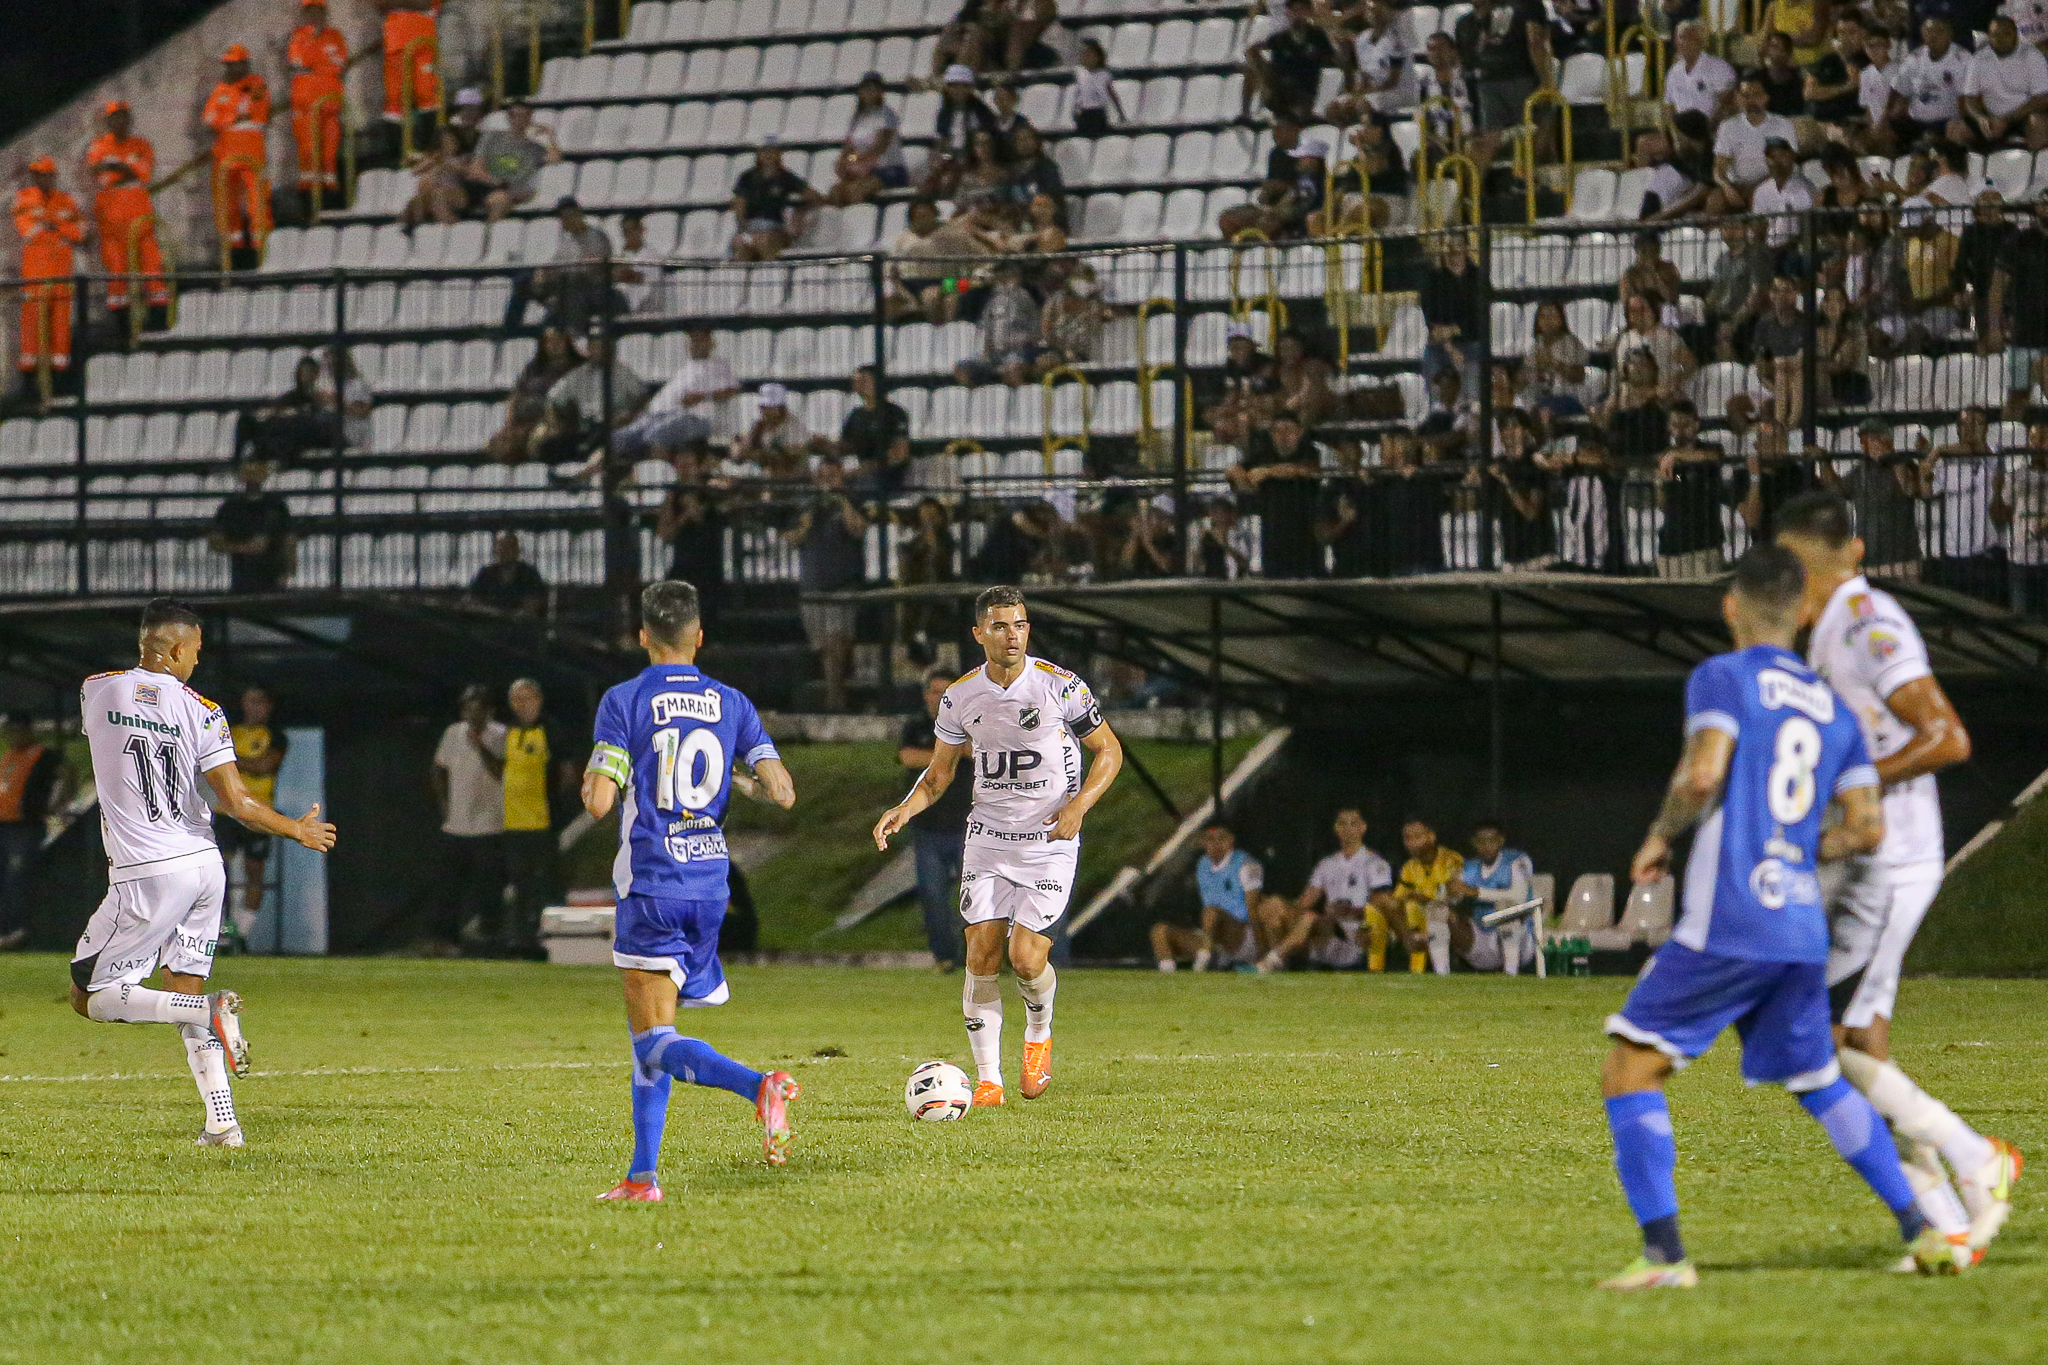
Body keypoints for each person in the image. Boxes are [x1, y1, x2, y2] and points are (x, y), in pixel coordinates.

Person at [1595, 543, 1960, 1289]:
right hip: (1800, 924)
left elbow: (1702, 774)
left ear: (1731, 606)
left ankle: (1664, 1256)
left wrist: (1659, 837)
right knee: (1819, 1079)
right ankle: (1926, 1230)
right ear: (1802, 613)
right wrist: (1800, 846)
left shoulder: (1724, 676)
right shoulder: (1836, 708)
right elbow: (1867, 829)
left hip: (1730, 919)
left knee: (1631, 1068)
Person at [1775, 491, 2020, 1262]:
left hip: (1891, 858)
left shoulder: (1867, 623)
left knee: (1820, 1041)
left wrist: (1851, 781)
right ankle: (1944, 1220)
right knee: (1853, 1039)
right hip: (1865, 858)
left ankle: (1972, 1161)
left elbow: (1946, 736)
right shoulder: (1829, 630)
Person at [68, 599, 336, 1149]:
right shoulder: (206, 711)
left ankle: (207, 1010)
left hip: (147, 872)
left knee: (89, 995)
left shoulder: (97, 690)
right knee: (182, 983)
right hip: (203, 867)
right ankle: (222, 1123)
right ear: (171, 648)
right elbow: (236, 802)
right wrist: (295, 829)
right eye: (193, 650)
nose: (196, 660)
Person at [584, 579, 800, 1197]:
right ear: (699, 637)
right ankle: (641, 1176)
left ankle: (759, 1087)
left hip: (652, 882)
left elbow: (599, 802)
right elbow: (783, 792)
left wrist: (599, 775)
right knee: (654, 1039)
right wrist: (742, 780)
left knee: (652, 1040)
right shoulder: (733, 702)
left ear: (642, 636)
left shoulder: (625, 699)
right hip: (709, 885)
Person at [872, 586, 1124, 1107]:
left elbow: (1109, 752)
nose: (1013, 635)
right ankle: (989, 1081)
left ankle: (1039, 1034)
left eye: (1020, 625)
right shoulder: (960, 696)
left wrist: (1079, 806)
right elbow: (938, 775)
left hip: (1048, 841)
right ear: (979, 633)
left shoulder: (1060, 686)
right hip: (988, 839)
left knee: (1026, 959)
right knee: (981, 952)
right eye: (1001, 626)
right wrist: (905, 808)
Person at [1257, 808, 1396, 973]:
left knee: (1310, 918)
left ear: (1363, 827)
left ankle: (1271, 960)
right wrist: (1276, 904)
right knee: (1275, 906)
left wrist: (1351, 911)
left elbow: (1382, 905)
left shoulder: (1374, 863)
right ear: (1336, 828)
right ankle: (1277, 963)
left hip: (1357, 931)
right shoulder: (1327, 864)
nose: (1347, 828)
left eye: (1353, 823)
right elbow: (1303, 903)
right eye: (1342, 824)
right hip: (1329, 928)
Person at [899, 669, 971, 971]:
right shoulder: (916, 725)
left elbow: (979, 753)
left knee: (976, 899)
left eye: (946, 692)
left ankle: (978, 957)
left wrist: (945, 754)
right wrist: (947, 755)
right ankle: (944, 955)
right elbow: (907, 757)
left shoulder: (971, 722)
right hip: (929, 827)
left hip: (968, 827)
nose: (939, 698)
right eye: (935, 691)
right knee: (932, 895)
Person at [501, 678, 575, 959]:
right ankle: (520, 940)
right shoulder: (507, 731)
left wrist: (559, 804)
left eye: (528, 698)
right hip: (513, 822)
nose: (523, 705)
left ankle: (553, 937)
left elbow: (567, 771)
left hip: (544, 820)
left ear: (539, 700)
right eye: (517, 699)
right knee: (519, 883)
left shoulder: (552, 730)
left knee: (547, 880)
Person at [430, 684, 506, 955]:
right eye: (468, 709)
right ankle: (446, 940)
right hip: (456, 825)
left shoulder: (501, 734)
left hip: (490, 825)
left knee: (489, 888)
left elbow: (500, 772)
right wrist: (444, 804)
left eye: (478, 709)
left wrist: (481, 745)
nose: (472, 714)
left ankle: (489, 940)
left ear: (489, 711)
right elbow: (438, 768)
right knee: (449, 888)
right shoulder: (453, 733)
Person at [789, 458, 869, 711]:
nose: (827, 482)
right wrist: (806, 524)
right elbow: (792, 538)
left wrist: (842, 501)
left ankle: (835, 698)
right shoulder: (806, 505)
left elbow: (858, 529)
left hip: (842, 583)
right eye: (823, 476)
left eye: (833, 476)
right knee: (824, 646)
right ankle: (835, 693)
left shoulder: (852, 501)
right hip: (813, 585)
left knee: (837, 641)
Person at [213, 687, 287, 953]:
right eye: (249, 701)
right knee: (218, 871)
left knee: (255, 872)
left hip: (260, 811)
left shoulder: (275, 736)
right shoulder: (230, 731)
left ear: (268, 705)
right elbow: (213, 765)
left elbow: (265, 766)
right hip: (227, 811)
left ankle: (242, 934)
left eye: (259, 702)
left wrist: (232, 761)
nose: (254, 707)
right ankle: (221, 931)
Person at [86, 101, 169, 331]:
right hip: (111, 214)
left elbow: (144, 173)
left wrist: (117, 168)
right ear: (108, 121)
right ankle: (122, 324)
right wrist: (126, 170)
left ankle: (158, 316)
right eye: (115, 117)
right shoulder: (98, 145)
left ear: (130, 120)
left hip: (138, 211)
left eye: (124, 117)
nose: (120, 122)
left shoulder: (142, 145)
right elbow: (99, 174)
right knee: (116, 266)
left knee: (151, 262)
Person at [1151, 823, 1271, 972]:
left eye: (1219, 838)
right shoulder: (1203, 864)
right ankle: (1170, 976)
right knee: (1159, 932)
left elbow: (1253, 907)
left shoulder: (1247, 864)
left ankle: (1202, 964)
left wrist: (1261, 952)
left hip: (1241, 937)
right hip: (1213, 941)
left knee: (1211, 912)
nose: (1214, 843)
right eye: (1209, 839)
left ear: (1230, 841)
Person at [1453, 0, 1554, 171]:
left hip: (1486, 79)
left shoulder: (1479, 12)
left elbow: (1468, 55)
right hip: (1520, 76)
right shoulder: (1528, 4)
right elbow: (1535, 41)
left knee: (1490, 138)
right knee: (1538, 127)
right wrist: (1546, 81)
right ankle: (1529, 179)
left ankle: (1474, 183)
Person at [1817, 418, 1921, 575]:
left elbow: (1909, 489)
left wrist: (1891, 456)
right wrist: (1824, 462)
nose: (1868, 444)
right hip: (1869, 558)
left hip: (1902, 557)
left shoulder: (1903, 463)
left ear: (1887, 439)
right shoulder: (1861, 470)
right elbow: (1837, 490)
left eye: (1873, 438)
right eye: (1864, 440)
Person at [13, 157, 83, 389]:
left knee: (61, 323)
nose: (41, 178)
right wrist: (59, 229)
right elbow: (28, 230)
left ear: (53, 176)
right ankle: (31, 381)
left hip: (61, 271)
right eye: (37, 174)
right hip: (35, 273)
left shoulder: (67, 201)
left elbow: (80, 232)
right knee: (32, 323)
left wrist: (54, 226)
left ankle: (60, 377)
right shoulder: (24, 198)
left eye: (46, 174)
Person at [1230, 410, 1325, 578]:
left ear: (1299, 432)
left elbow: (1308, 470)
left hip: (1304, 531)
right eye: (1277, 431)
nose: (1283, 435)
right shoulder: (1264, 455)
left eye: (1288, 430)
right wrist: (1241, 478)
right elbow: (1236, 472)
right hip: (1273, 532)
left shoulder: (1309, 452)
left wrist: (1269, 471)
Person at [202, 45, 271, 268]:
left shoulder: (257, 84)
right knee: (226, 202)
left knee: (257, 201)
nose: (230, 69)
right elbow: (209, 119)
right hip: (225, 152)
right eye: (228, 65)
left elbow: (257, 114)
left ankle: (262, 248)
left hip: (251, 150)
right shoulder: (221, 89)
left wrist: (226, 117)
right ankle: (234, 249)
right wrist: (233, 117)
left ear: (245, 64)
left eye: (235, 64)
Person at [0, 715, 65, 952]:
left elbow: (62, 778)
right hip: (4, 824)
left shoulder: (43, 755)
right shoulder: (9, 756)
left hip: (25, 825)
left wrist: (52, 807)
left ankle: (15, 929)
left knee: (17, 877)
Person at [1990, 192, 2048, 420]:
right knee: (2017, 397)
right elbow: (1997, 287)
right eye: (2043, 203)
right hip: (2025, 331)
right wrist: (1994, 328)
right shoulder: (2021, 240)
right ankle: (2008, 437)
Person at [1951, 17, 2048, 150]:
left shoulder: (2032, 56)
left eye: (2006, 33)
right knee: (1955, 129)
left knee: (2038, 123)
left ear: (2015, 34)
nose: (2000, 38)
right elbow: (1969, 99)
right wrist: (1981, 119)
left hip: (2021, 117)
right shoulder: (1979, 59)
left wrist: (2006, 119)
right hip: (1990, 118)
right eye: (1995, 34)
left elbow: (2042, 99)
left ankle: (2037, 163)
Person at [1393, 818, 1472, 976]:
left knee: (1430, 910)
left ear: (1431, 836)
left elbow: (1458, 896)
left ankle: (1429, 970)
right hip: (1418, 919)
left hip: (1452, 915)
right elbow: (1399, 898)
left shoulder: (1452, 859)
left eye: (1417, 837)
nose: (1412, 843)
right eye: (1407, 838)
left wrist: (1426, 899)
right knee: (1401, 909)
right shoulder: (1409, 867)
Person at [488, 327, 581, 460]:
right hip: (522, 419)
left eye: (558, 341)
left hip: (549, 419)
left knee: (538, 440)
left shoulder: (575, 370)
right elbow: (517, 395)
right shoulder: (533, 367)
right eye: (549, 342)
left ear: (567, 343)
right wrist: (509, 421)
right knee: (497, 442)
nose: (554, 346)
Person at [286, 0, 348, 198]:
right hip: (305, 102)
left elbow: (340, 64)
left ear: (325, 13)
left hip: (330, 102)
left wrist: (316, 66)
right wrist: (322, 63)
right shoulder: (298, 36)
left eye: (318, 11)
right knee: (307, 147)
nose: (314, 16)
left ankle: (330, 185)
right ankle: (309, 190)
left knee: (330, 146)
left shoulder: (335, 36)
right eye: (310, 12)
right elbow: (299, 62)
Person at [1250, 0, 1343, 127]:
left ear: (1308, 12)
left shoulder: (1317, 36)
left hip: (1307, 91)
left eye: (1301, 10)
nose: (1298, 14)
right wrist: (1263, 80)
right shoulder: (1279, 38)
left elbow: (1337, 59)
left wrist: (1331, 33)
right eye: (1294, 10)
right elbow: (1254, 51)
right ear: (1287, 13)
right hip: (1282, 91)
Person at [1460, 820, 1536, 974]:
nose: (1486, 845)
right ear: (1473, 843)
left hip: (1519, 938)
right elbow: (1453, 896)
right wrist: (1452, 892)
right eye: (1481, 841)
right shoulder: (1468, 866)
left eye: (1492, 840)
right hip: (1482, 938)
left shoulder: (1517, 860)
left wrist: (1476, 892)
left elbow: (1519, 896)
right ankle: (1442, 973)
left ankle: (1510, 972)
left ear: (1501, 840)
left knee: (1506, 907)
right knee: (1440, 912)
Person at [1712, 76, 1800, 210]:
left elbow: (1787, 164)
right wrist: (1727, 188)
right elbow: (1719, 169)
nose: (1751, 101)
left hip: (1771, 183)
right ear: (1739, 98)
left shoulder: (1783, 125)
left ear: (1766, 97)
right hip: (1737, 185)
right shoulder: (1728, 127)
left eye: (1757, 95)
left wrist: (1759, 187)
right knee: (1715, 200)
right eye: (1746, 96)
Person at [209, 459, 295, 592]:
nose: (253, 479)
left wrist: (289, 571)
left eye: (256, 474)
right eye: (249, 474)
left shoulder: (277, 505)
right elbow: (215, 542)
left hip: (273, 576)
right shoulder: (230, 507)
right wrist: (244, 548)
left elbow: (289, 539)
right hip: (243, 577)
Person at [730, 141, 822, 262]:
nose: (768, 155)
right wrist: (742, 222)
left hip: (775, 226)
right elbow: (739, 200)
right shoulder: (747, 177)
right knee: (741, 244)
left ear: (778, 154)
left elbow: (812, 195)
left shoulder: (786, 177)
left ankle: (770, 270)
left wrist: (799, 213)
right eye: (764, 151)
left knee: (765, 241)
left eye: (772, 151)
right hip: (751, 226)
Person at [469, 101, 560, 223]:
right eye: (514, 115)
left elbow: (555, 159)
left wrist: (550, 133)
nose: (518, 119)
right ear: (509, 116)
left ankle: (490, 232)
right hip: (486, 185)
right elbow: (476, 168)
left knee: (501, 199)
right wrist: (496, 182)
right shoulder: (492, 137)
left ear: (530, 118)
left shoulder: (535, 149)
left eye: (524, 115)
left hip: (513, 190)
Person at [831, 73, 908, 206]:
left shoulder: (887, 115)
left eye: (873, 88)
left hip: (888, 170)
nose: (869, 92)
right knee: (835, 192)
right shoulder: (858, 118)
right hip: (863, 170)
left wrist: (852, 158)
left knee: (856, 191)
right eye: (865, 88)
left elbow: (878, 149)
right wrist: (842, 161)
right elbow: (848, 146)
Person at [838, 364, 912, 495]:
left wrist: (868, 468)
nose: (859, 384)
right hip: (861, 474)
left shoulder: (894, 413)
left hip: (888, 476)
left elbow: (900, 453)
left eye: (865, 380)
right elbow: (846, 446)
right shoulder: (855, 415)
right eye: (857, 381)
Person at [376, 0, 442, 124]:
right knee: (396, 93)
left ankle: (429, 128)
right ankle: (400, 127)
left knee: (426, 89)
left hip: (420, 28)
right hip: (399, 29)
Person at [1665, 20, 1737, 123]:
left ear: (1701, 42)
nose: (1685, 42)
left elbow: (1728, 106)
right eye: (1681, 37)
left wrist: (1708, 127)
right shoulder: (1674, 71)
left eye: (1690, 38)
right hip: (1681, 127)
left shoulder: (1719, 67)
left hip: (1710, 127)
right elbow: (1668, 106)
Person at [470, 531, 547, 615]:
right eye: (502, 547)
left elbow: (535, 601)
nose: (507, 551)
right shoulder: (485, 573)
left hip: (521, 621)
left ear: (518, 550)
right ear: (495, 550)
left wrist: (517, 615)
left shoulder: (529, 573)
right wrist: (493, 613)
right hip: (489, 620)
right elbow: (472, 601)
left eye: (511, 547)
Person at [1070, 39, 1125, 137]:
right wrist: (1074, 109)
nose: (1087, 58)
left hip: (1098, 111)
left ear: (1098, 57)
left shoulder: (1104, 75)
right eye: (1084, 55)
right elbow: (1077, 94)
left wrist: (1120, 113)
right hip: (1084, 111)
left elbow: (1111, 94)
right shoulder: (1079, 74)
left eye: (1090, 55)